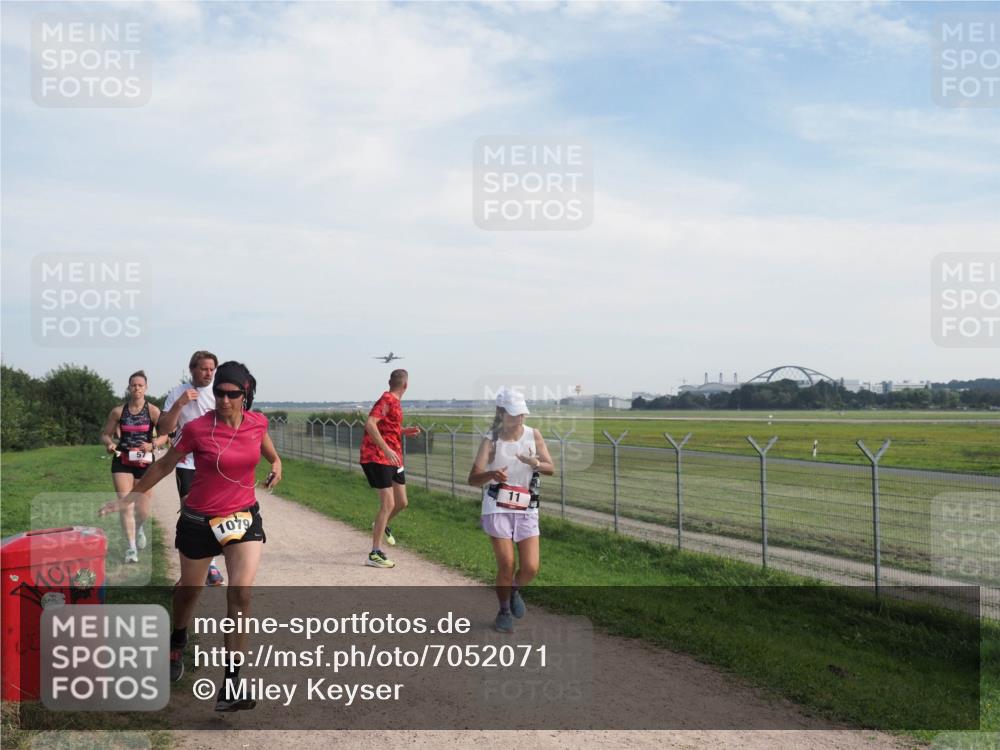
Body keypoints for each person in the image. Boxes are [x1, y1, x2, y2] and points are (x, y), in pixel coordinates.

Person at [100, 361, 281, 712]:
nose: (223, 399)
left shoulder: (258, 422)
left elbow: (266, 448)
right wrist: (135, 493)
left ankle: (231, 685)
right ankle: (177, 640)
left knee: (241, 593)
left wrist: (276, 464)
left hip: (243, 518)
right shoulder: (198, 428)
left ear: (246, 395)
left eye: (232, 394)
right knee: (189, 592)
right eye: (219, 393)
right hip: (199, 520)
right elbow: (166, 464)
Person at [468, 389, 554, 633]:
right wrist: (491, 474)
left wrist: (534, 462)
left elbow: (550, 467)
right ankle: (503, 610)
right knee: (507, 563)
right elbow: (473, 479)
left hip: (526, 507)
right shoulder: (491, 440)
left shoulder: (533, 435)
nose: (519, 419)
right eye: (514, 414)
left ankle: (514, 590)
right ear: (501, 413)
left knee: (530, 568)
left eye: (522, 414)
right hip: (497, 506)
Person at [158, 350, 224, 586]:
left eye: (212, 369)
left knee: (214, 512)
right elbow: (163, 429)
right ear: (192, 369)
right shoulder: (177, 393)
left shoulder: (220, 392)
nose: (209, 373)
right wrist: (180, 404)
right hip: (186, 461)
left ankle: (212, 566)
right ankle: (192, 571)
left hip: (214, 461)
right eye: (204, 368)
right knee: (190, 511)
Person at [100, 370, 169, 564]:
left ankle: (138, 528)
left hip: (145, 462)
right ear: (129, 387)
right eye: (133, 385)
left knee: (143, 509)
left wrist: (153, 444)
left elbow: (166, 436)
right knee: (125, 504)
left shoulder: (153, 411)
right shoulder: (118, 411)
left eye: (140, 385)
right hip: (122, 460)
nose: (137, 388)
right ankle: (131, 548)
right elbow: (105, 434)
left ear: (146, 387)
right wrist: (109, 443)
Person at [359, 368, 420, 569]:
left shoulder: (394, 402)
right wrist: (385, 449)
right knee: (388, 503)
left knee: (401, 502)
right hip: (378, 457)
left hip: (394, 458)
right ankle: (375, 553)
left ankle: (381, 525)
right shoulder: (386, 400)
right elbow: (370, 423)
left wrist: (403, 431)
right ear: (406, 385)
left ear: (390, 382)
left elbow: (386, 427)